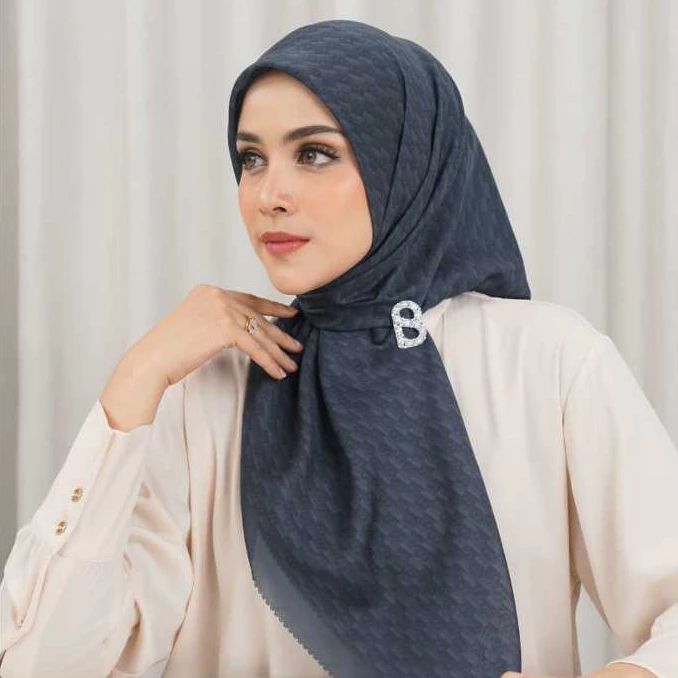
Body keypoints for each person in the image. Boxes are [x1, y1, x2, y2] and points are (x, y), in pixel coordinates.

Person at [1, 18, 677, 678]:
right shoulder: (207, 391)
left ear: (401, 163)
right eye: (251, 159)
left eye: (314, 154)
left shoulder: (545, 363)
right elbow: (46, 662)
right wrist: (138, 375)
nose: (269, 195)